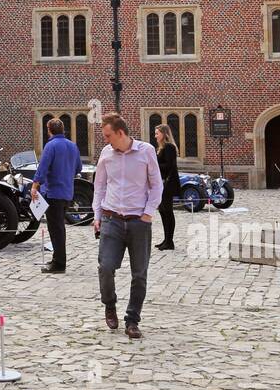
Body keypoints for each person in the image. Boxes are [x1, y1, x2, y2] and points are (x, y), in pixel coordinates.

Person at [93, 112, 163, 340]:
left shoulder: (146, 151)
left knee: (139, 274)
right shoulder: (106, 154)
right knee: (105, 266)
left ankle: (132, 320)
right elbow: (99, 186)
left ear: (120, 132)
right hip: (111, 218)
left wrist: (148, 213)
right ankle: (109, 304)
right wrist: (97, 215)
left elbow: (156, 185)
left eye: (108, 135)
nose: (106, 140)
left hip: (138, 222)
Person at [30, 118, 81, 273]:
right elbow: (78, 167)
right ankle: (58, 260)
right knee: (60, 229)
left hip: (53, 193)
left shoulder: (51, 145)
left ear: (49, 129)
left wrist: (34, 185)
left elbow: (43, 168)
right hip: (67, 192)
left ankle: (59, 263)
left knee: (56, 230)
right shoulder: (73, 146)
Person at [153, 123, 182, 252]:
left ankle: (170, 241)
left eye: (157, 133)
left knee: (168, 212)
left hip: (168, 184)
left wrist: (155, 164)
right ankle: (166, 239)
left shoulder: (169, 147)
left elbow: (169, 166)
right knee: (163, 211)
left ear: (164, 134)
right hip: (162, 183)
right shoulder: (161, 148)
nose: (155, 136)